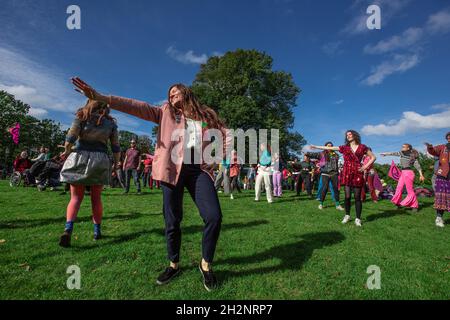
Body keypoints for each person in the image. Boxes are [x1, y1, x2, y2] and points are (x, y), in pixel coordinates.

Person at [72, 77, 231, 291]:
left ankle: (206, 264)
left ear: (186, 93)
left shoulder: (206, 114)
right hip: (171, 169)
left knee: (214, 216)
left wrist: (219, 156)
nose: (172, 96)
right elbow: (136, 106)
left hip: (197, 170)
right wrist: (102, 98)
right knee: (172, 220)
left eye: (176, 92)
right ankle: (173, 264)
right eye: (170, 94)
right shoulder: (165, 112)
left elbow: (226, 134)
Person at [59, 99, 121, 247]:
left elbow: (70, 138)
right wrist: (117, 163)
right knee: (96, 198)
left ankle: (68, 229)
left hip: (80, 157)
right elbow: (116, 146)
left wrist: (66, 150)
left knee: (75, 198)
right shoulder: (110, 123)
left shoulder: (81, 116)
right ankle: (97, 231)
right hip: (99, 160)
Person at [311, 130, 376, 227]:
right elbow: (331, 147)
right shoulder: (345, 147)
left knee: (357, 197)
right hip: (347, 172)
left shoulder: (363, 147)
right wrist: (316, 147)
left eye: (350, 134)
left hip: (358, 172)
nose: (348, 136)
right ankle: (347, 215)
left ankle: (358, 218)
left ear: (355, 135)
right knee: (347, 196)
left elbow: (373, 157)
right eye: (347, 135)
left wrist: (365, 167)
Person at [381, 144, 425, 212]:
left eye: (403, 147)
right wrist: (385, 154)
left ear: (408, 148)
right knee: (399, 188)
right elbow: (393, 153)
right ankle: (397, 204)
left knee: (410, 190)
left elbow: (417, 165)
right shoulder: (401, 153)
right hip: (403, 173)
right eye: (402, 146)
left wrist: (421, 175)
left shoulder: (412, 156)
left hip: (409, 173)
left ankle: (414, 206)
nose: (402, 147)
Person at [306, 142, 344, 211]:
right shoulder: (321, 154)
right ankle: (321, 203)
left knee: (336, 189)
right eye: (328, 146)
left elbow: (338, 164)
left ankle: (338, 205)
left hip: (334, 173)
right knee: (324, 188)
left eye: (331, 146)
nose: (329, 147)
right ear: (325, 147)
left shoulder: (336, 155)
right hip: (325, 173)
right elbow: (313, 154)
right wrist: (306, 152)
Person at [425, 132, 450, 228]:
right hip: (443, 175)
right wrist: (430, 147)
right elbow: (434, 151)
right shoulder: (442, 147)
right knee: (441, 198)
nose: (449, 138)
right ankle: (439, 218)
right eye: (448, 137)